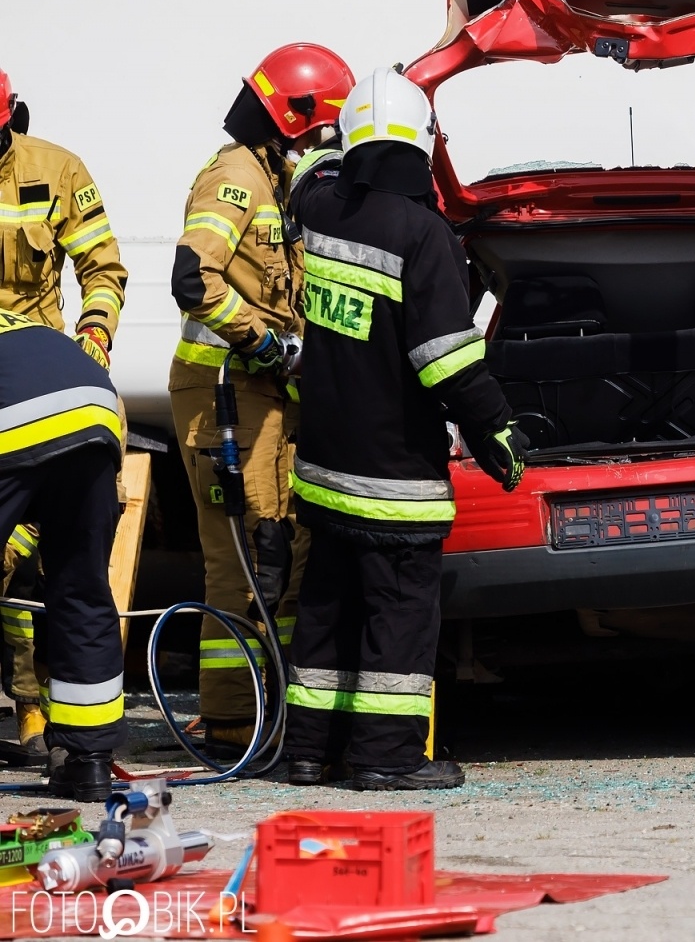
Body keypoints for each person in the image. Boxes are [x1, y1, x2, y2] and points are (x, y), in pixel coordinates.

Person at [284, 67, 527, 790]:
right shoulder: (423, 234)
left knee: (326, 608)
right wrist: (497, 427)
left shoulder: (324, 210)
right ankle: (385, 760)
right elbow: (444, 360)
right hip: (393, 475)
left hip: (325, 464)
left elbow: (309, 180)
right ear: (422, 145)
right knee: (397, 613)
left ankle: (307, 750)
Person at [168, 44, 353, 759]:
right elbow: (194, 277)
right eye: (319, 133)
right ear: (292, 119)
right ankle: (231, 727)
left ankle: (266, 710)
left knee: (281, 552)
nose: (322, 148)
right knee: (244, 561)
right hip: (225, 393)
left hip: (260, 397)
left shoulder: (274, 180)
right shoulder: (237, 177)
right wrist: (265, 345)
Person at [0, 67, 127, 761]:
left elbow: (102, 269)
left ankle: (63, 737)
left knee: (72, 573)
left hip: (48, 381)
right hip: (58, 399)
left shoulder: (55, 169)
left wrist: (95, 339)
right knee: (52, 580)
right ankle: (69, 745)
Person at [0, 309, 125, 800]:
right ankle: (88, 761)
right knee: (81, 588)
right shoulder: (16, 319)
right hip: (94, 409)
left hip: (15, 418)